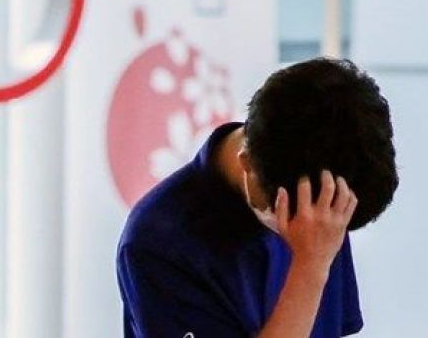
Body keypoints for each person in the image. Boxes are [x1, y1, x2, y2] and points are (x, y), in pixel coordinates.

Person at [116, 57, 399, 337]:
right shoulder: (158, 244)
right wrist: (309, 267)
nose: (310, 225)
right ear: (247, 162)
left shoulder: (324, 197)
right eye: (290, 214)